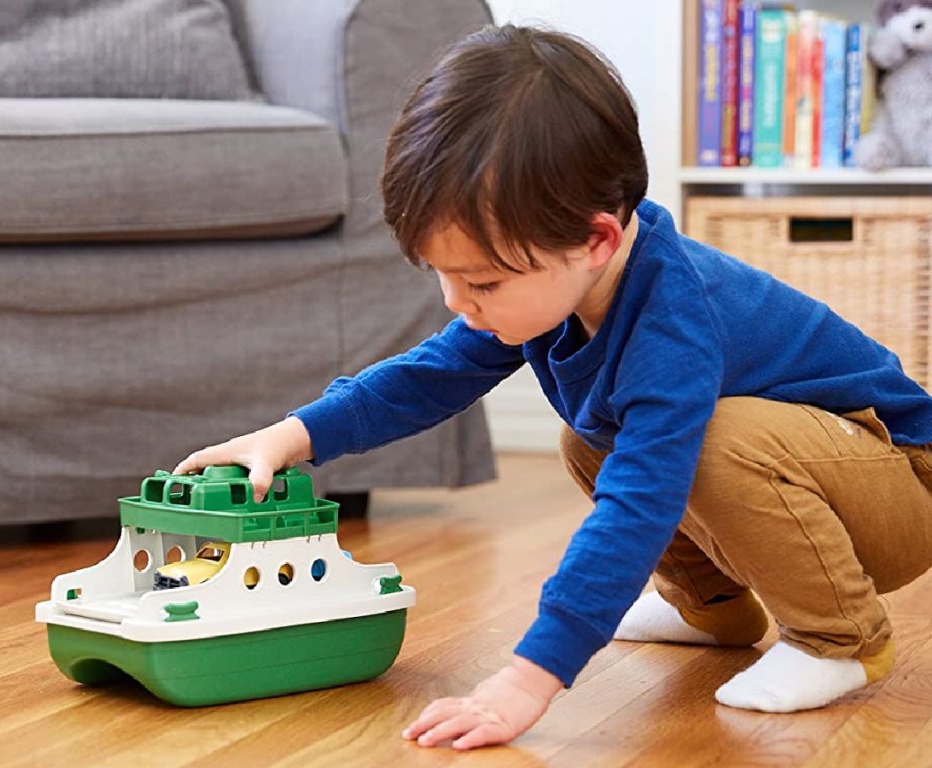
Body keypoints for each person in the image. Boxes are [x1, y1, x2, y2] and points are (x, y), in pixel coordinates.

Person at [172, 24, 932, 750]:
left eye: (482, 281)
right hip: (816, 487)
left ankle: (841, 640)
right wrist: (291, 435)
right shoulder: (556, 279)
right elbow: (425, 379)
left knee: (704, 443)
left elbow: (641, 503)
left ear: (596, 239)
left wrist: (530, 680)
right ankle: (714, 611)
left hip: (896, 485)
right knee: (589, 436)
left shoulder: (674, 317)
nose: (455, 303)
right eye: (443, 276)